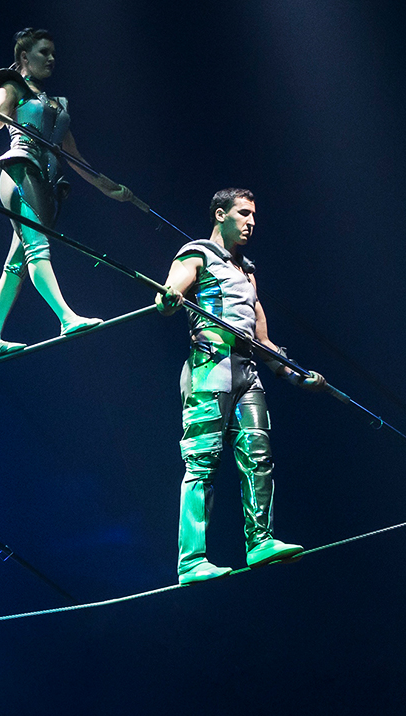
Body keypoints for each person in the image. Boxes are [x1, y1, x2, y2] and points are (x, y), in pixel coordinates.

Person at [155, 189, 326, 585]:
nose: (251, 222)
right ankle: (191, 560)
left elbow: (263, 342)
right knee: (201, 462)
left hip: (247, 373)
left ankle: (260, 542)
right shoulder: (196, 253)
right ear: (221, 215)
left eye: (254, 215)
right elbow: (172, 290)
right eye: (243, 214)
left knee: (258, 458)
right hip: (209, 368)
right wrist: (168, 299)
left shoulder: (248, 273)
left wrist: (297, 375)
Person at [0, 27, 134, 360]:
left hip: (45, 182)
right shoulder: (12, 85)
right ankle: (66, 317)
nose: (52, 59)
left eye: (54, 53)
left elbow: (74, 157)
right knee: (38, 248)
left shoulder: (56, 105)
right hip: (20, 170)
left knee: (16, 263)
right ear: (25, 57)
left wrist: (110, 189)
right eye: (44, 52)